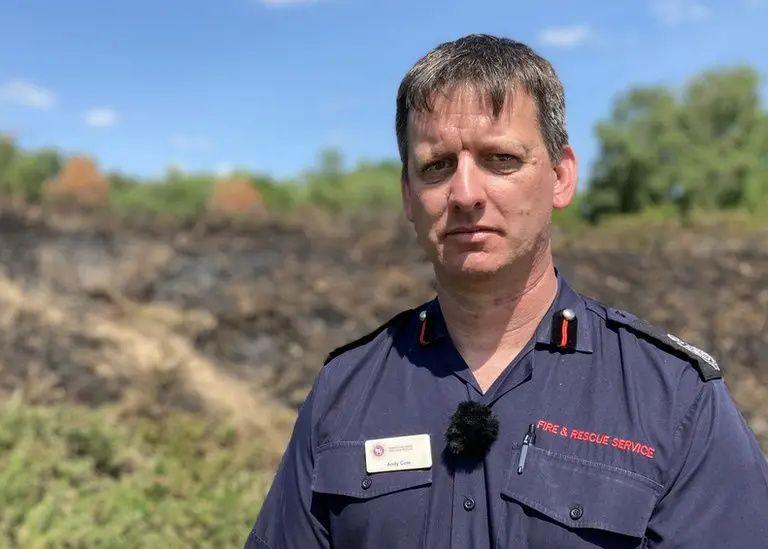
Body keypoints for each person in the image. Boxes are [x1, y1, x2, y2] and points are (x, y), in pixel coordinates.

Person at [245, 34, 768, 548]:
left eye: (501, 160)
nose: (466, 193)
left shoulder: (674, 397)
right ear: (408, 195)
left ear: (562, 177)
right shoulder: (344, 391)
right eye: (436, 166)